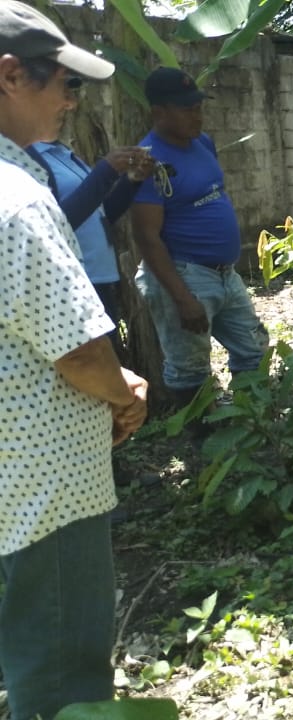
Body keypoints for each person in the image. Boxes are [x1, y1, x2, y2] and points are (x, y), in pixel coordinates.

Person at [0, 3, 148, 718]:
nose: (69, 101)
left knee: (25, 640)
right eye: (64, 84)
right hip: (44, 486)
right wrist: (124, 393)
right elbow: (81, 353)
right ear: (10, 77)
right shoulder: (18, 202)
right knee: (60, 671)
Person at [131, 66, 268, 406]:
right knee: (189, 368)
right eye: (187, 109)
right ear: (159, 112)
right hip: (185, 274)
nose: (198, 115)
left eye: (198, 107)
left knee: (253, 349)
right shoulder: (149, 162)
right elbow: (146, 237)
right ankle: (199, 433)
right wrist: (182, 298)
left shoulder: (203, 143)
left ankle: (252, 423)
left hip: (225, 274)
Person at [27, 81, 155, 355]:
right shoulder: (27, 159)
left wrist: (132, 181)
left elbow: (101, 214)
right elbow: (55, 224)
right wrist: (106, 170)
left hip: (100, 278)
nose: (70, 105)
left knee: (109, 359)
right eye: (63, 94)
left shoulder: (64, 154)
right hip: (72, 284)